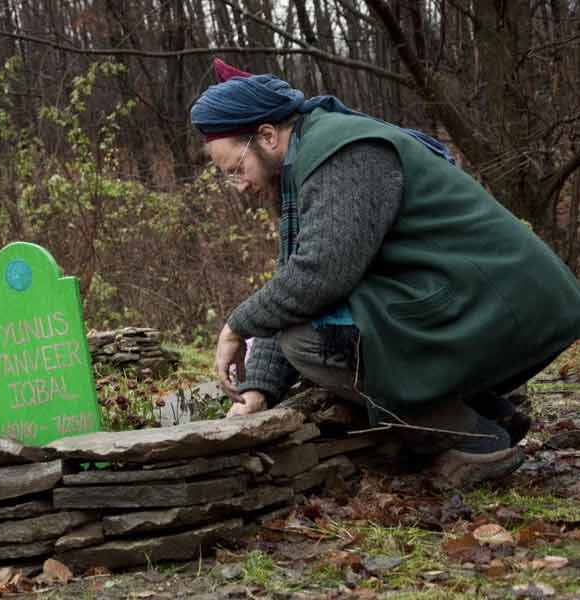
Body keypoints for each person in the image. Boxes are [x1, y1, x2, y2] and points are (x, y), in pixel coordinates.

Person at [190, 59, 580, 489]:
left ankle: (474, 439)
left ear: (267, 136)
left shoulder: (342, 152)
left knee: (311, 342)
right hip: (468, 295)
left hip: (503, 298)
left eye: (236, 169)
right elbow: (296, 282)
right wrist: (258, 390)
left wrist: (237, 325)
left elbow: (321, 274)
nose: (240, 185)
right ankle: (490, 414)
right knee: (317, 326)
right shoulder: (309, 156)